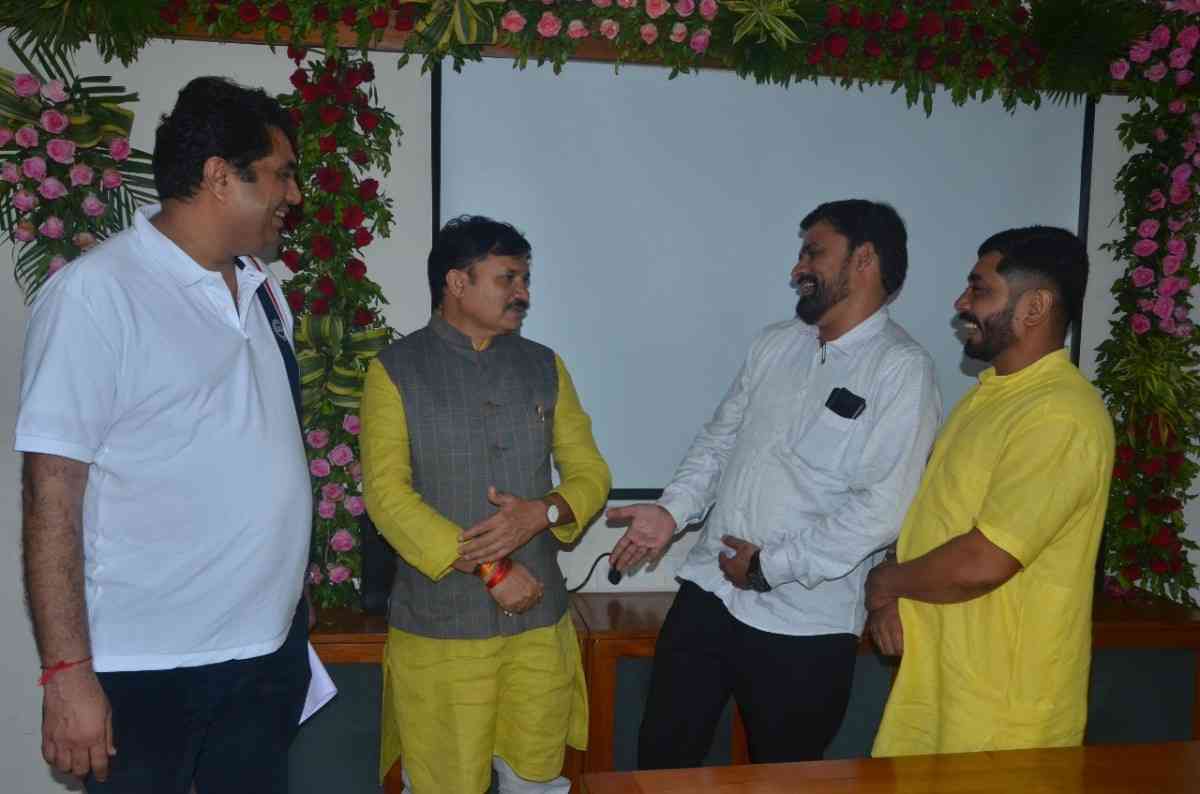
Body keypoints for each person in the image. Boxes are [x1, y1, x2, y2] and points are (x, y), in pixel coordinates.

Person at [16, 77, 311, 793]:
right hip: (147, 670)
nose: (294, 195)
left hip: (265, 659)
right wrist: (67, 674)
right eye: (280, 174)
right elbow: (51, 494)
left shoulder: (264, 287)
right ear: (219, 176)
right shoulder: (97, 293)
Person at [607, 199, 942, 767]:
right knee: (661, 762)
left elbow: (882, 509)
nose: (797, 269)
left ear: (864, 260)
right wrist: (672, 510)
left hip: (804, 622)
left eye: (814, 253)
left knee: (784, 778)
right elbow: (719, 442)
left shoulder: (901, 369)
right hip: (710, 592)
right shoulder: (775, 344)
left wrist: (769, 567)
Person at [360, 215, 611, 794]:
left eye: (525, 279)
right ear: (457, 282)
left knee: (536, 781)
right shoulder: (395, 371)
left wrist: (544, 512)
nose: (523, 294)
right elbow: (387, 496)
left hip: (538, 625)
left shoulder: (544, 365)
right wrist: (494, 569)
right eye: (508, 278)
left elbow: (591, 472)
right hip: (441, 629)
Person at [869, 226, 1115, 757]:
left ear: (1035, 307)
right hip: (936, 693)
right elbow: (933, 520)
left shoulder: (1060, 414)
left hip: (1001, 719)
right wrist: (893, 589)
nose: (961, 303)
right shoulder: (989, 398)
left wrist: (885, 582)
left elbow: (985, 561)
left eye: (979, 290)